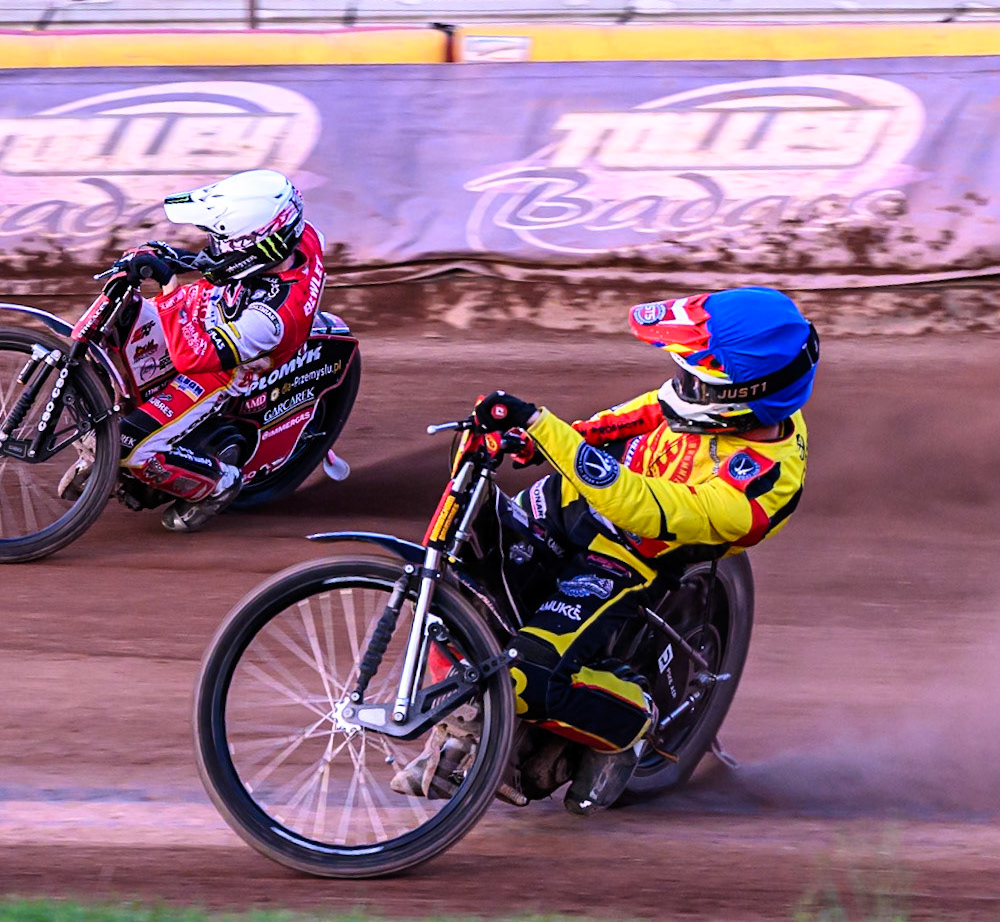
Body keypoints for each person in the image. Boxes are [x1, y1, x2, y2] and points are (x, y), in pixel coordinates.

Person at [404, 290, 816, 813]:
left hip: (628, 556)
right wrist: (552, 440)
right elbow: (646, 412)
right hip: (571, 502)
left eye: (695, 379)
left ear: (736, 401)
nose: (680, 386)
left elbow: (635, 505)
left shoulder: (757, 489)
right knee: (462, 562)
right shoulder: (727, 401)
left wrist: (543, 429)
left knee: (520, 678)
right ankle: (470, 724)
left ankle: (631, 720)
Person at [97, 170, 326, 534]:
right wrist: (178, 259)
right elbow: (227, 264)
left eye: (220, 239)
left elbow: (194, 357)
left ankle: (218, 485)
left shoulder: (272, 317)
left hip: (219, 370)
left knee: (127, 448)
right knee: (116, 330)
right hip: (215, 312)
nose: (211, 244)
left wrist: (169, 285)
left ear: (257, 249)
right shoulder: (298, 236)